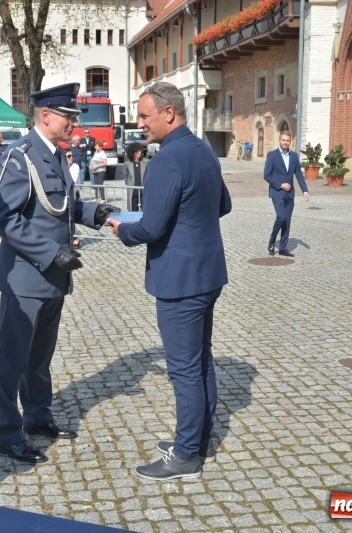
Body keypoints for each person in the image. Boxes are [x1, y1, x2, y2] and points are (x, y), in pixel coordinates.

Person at [106, 82, 232, 480]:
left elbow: (151, 226)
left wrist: (121, 230)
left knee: (183, 368)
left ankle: (185, 456)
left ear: (169, 113)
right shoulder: (203, 151)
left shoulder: (167, 159)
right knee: (200, 360)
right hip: (208, 272)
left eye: (144, 116)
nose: (139, 123)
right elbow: (223, 205)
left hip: (181, 280)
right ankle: (198, 439)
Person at [0, 82, 120, 464]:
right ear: (45, 116)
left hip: (52, 278)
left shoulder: (56, 156)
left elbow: (63, 205)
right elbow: (5, 219)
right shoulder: (20, 156)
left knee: (39, 357)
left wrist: (95, 214)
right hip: (26, 277)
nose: (74, 125)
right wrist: (52, 253)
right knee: (11, 360)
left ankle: (37, 415)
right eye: (68, 117)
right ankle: (8, 434)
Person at [264, 130, 310, 257]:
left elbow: (299, 174)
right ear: (279, 140)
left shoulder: (294, 156)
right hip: (277, 193)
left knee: (287, 221)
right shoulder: (272, 155)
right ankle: (272, 240)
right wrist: (280, 185)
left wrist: (305, 191)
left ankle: (283, 248)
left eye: (287, 140)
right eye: (283, 140)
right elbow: (266, 175)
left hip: (290, 194)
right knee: (281, 216)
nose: (285, 142)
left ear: (290, 141)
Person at [122, 142, 147, 211]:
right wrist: (128, 183)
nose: (140, 152)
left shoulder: (145, 162)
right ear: (132, 152)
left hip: (143, 190)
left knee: (144, 210)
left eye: (140, 150)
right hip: (132, 191)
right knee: (133, 210)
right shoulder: (127, 164)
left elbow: (148, 174)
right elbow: (125, 175)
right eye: (137, 151)